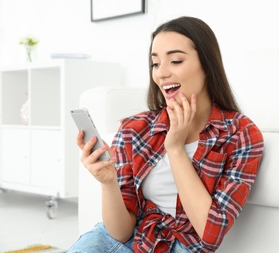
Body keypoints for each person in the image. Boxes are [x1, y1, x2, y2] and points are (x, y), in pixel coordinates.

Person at [68, 16, 264, 253]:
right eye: (155, 64)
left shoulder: (241, 135)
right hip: (125, 241)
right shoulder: (134, 129)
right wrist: (108, 183)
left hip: (184, 246)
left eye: (176, 60)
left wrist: (175, 148)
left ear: (207, 64)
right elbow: (120, 233)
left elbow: (209, 233)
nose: (161, 73)